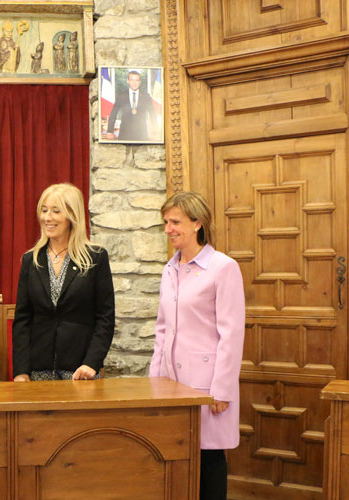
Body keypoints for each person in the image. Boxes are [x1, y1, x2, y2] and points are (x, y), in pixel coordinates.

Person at [149, 191, 245, 500]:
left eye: (175, 222)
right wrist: (154, 382)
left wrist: (222, 389)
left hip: (207, 385)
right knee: (175, 458)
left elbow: (232, 333)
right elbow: (162, 329)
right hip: (171, 384)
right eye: (166, 222)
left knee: (209, 459)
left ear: (197, 224)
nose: (169, 229)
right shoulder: (169, 269)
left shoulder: (223, 267)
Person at [12, 183, 115, 381]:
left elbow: (105, 317)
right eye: (44, 210)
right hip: (38, 370)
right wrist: (21, 371)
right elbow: (22, 320)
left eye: (55, 211)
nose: (47, 218)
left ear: (72, 216)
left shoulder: (96, 258)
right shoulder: (30, 260)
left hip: (81, 370)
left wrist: (92, 363)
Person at [105, 70, 158, 142]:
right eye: (132, 80)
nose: (134, 83)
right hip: (125, 135)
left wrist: (156, 132)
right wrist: (110, 131)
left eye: (137, 80)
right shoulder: (121, 96)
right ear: (128, 81)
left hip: (142, 135)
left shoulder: (146, 96)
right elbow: (113, 114)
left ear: (140, 82)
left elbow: (153, 114)